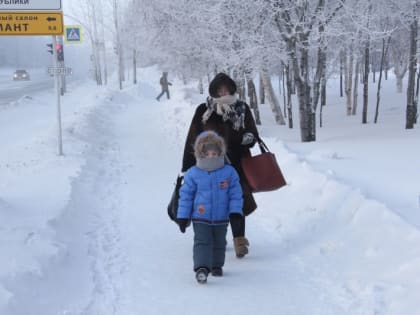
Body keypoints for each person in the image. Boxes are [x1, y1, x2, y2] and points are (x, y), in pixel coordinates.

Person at [181, 72, 259, 259]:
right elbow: (193, 137)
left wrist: (248, 138)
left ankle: (239, 239)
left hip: (237, 162)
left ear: (232, 89)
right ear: (214, 91)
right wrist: (188, 165)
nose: (223, 92)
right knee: (214, 201)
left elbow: (251, 132)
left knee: (237, 200)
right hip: (209, 164)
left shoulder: (241, 108)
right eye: (219, 90)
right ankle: (217, 236)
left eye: (226, 89)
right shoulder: (203, 110)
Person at [177, 131, 243, 284]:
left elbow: (235, 194)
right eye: (208, 153)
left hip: (221, 217)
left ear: (220, 153)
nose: (212, 156)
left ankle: (216, 265)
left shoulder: (229, 172)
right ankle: (201, 268)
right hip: (200, 216)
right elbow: (186, 196)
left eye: (215, 153)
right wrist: (183, 216)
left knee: (219, 242)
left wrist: (235, 212)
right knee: (202, 241)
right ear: (201, 154)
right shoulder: (194, 173)